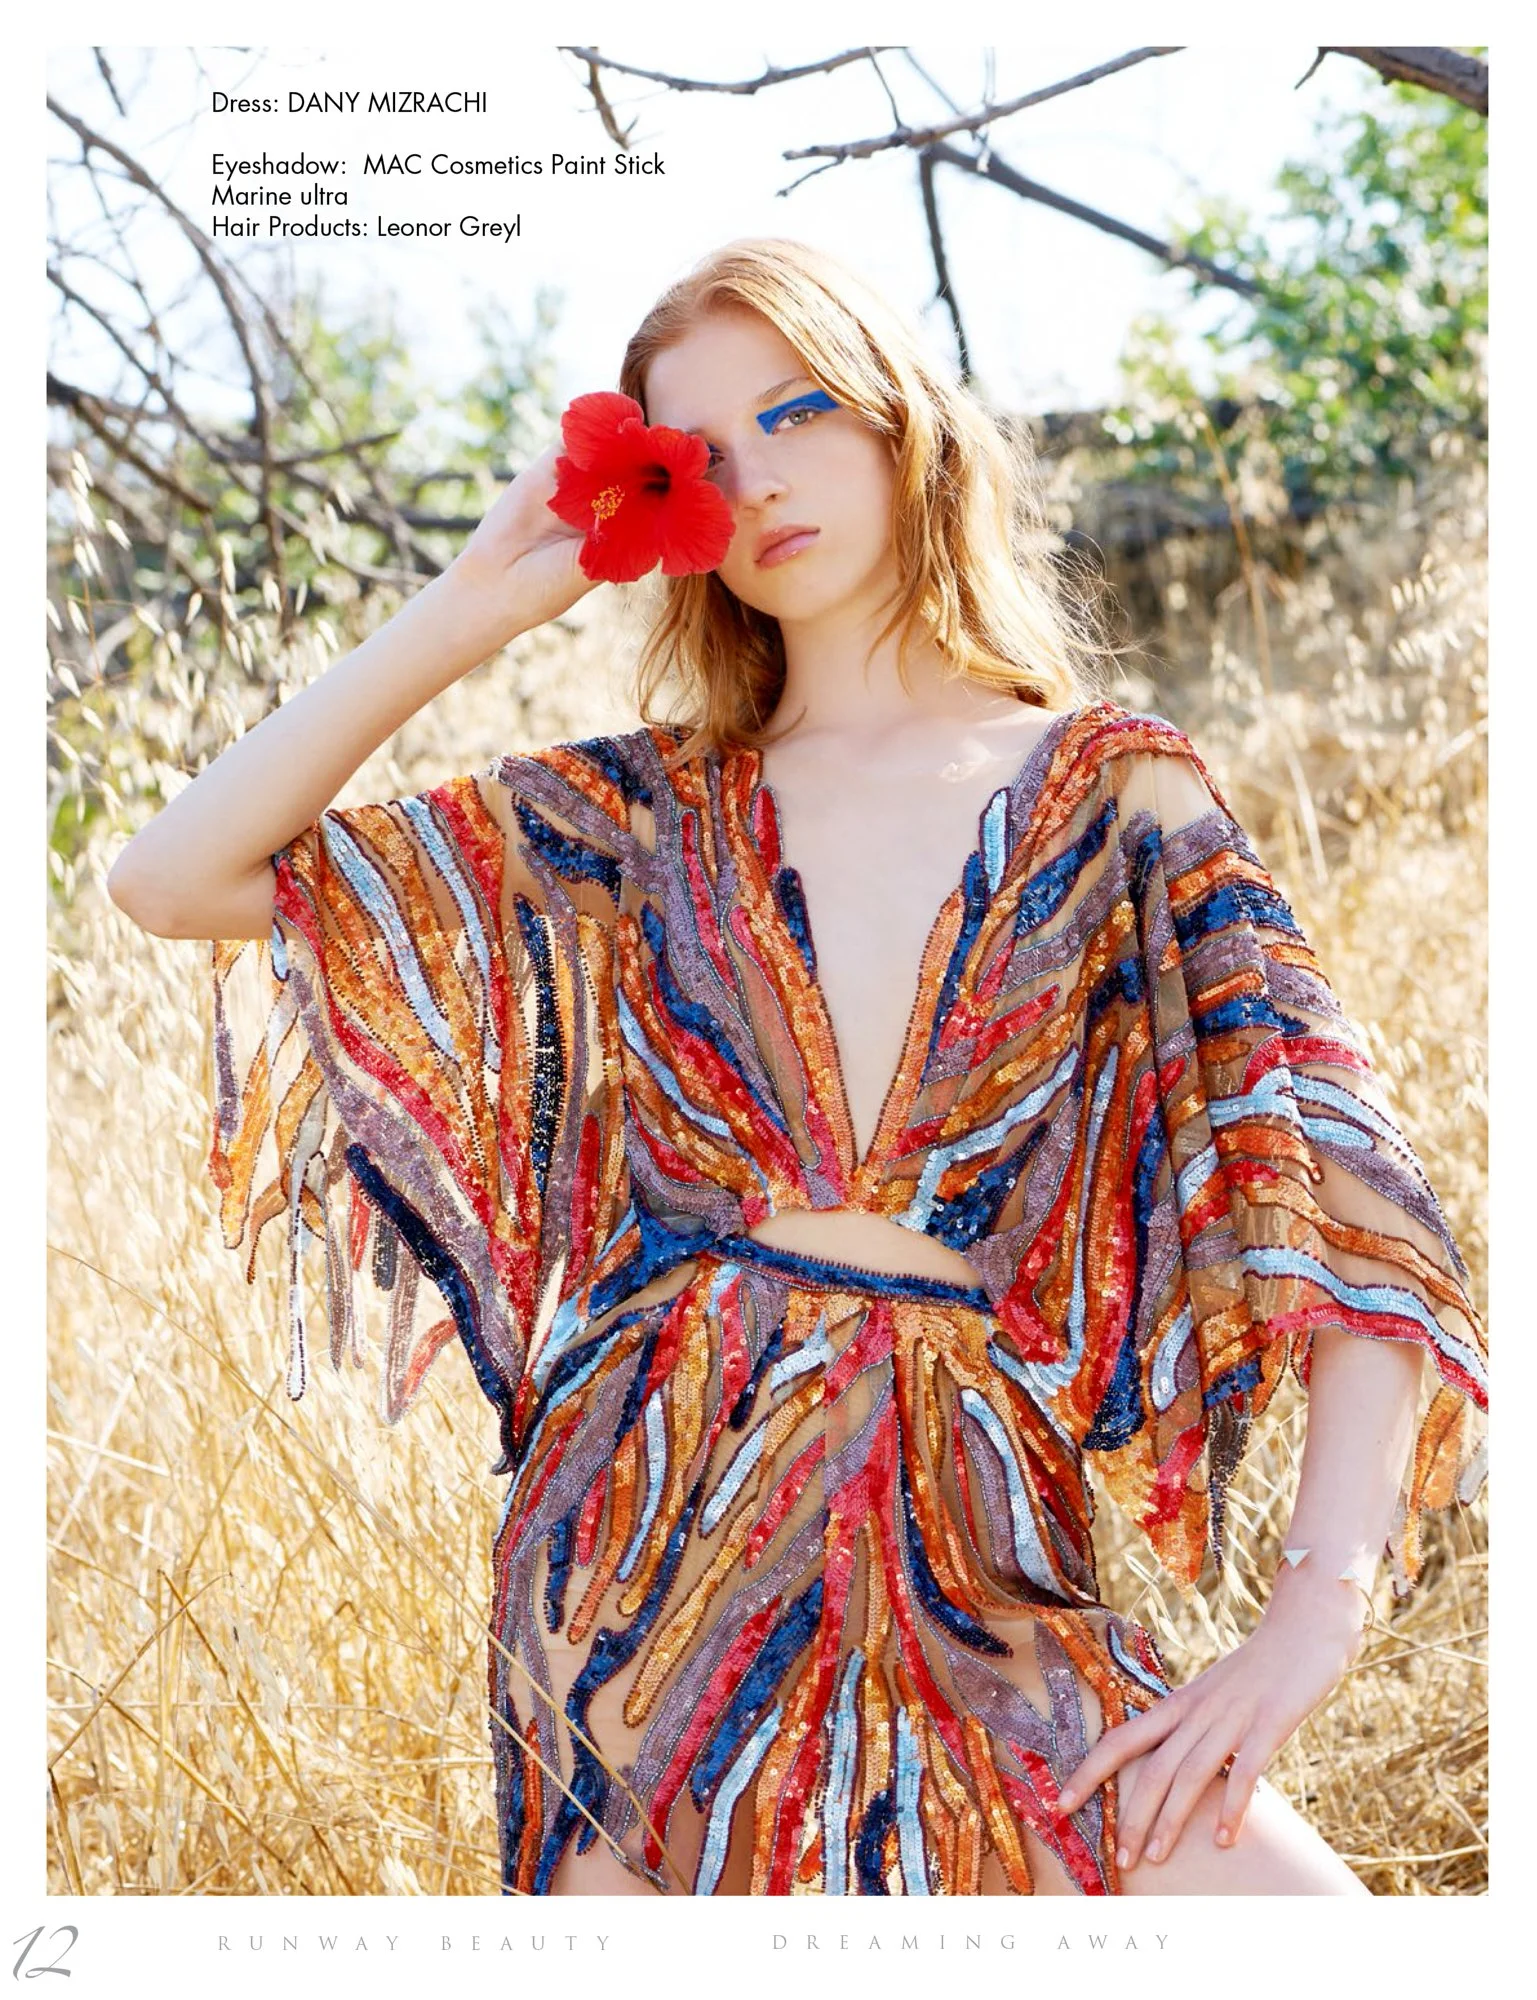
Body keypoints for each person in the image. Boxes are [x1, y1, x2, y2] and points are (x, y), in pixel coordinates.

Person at [107, 237, 1486, 1898]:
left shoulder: (1114, 794)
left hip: (979, 1554)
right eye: (700, 456)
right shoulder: (639, 815)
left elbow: (1355, 1217)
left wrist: (1305, 1624)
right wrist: (473, 606)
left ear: (904, 423)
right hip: (641, 1565)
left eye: (800, 411)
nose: (758, 481)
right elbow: (175, 881)